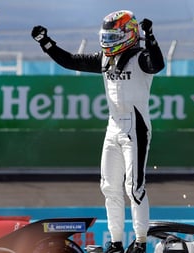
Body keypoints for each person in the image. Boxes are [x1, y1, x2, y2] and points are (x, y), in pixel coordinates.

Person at [31, 10, 165, 253]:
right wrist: (46, 43)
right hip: (113, 127)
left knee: (134, 188)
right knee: (109, 187)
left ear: (129, 34)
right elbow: (71, 60)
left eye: (115, 35)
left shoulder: (141, 58)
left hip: (136, 127)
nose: (110, 41)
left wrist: (151, 37)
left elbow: (158, 64)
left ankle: (141, 242)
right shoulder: (105, 59)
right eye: (108, 35)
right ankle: (115, 242)